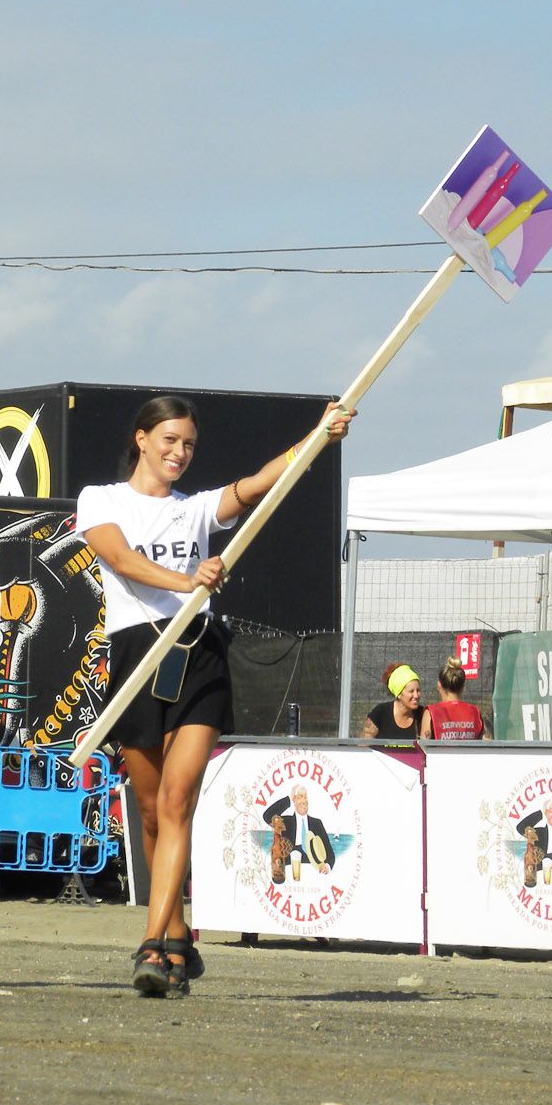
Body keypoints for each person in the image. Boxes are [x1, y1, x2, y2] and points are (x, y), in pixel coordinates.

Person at [77, 393, 352, 996]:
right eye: (170, 440)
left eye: (190, 445)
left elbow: (253, 486)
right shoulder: (102, 499)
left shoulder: (195, 509)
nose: (180, 453)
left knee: (178, 802)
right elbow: (118, 559)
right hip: (136, 657)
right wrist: (188, 578)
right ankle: (176, 938)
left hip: (197, 654)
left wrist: (318, 437)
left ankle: (152, 947)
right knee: (149, 812)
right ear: (142, 439)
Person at [261, 784, 334, 883]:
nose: (304, 802)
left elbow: (329, 851)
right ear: (294, 802)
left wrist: (328, 866)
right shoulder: (285, 822)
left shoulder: (317, 823)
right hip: (288, 870)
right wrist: (289, 800)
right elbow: (267, 816)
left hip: (313, 871)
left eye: (305, 798)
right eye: (300, 798)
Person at [424, 655, 487, 740]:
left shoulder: (431, 712)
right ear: (463, 688)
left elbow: (423, 747)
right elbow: (487, 742)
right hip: (468, 753)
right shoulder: (475, 712)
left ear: (439, 685)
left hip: (442, 753)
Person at [361, 662, 424, 743]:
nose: (416, 695)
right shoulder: (381, 713)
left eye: (418, 690)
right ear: (398, 694)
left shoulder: (423, 715)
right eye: (411, 691)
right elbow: (363, 746)